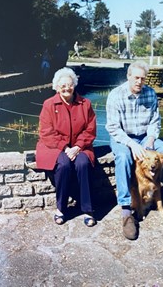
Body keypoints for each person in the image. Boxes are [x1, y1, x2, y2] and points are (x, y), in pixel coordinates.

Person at [105, 60, 163, 240]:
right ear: (128, 77)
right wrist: (132, 145)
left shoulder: (150, 93)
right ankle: (126, 212)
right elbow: (113, 128)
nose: (139, 81)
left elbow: (155, 122)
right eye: (136, 78)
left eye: (143, 78)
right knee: (124, 158)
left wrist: (149, 141)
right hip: (123, 137)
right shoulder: (115, 95)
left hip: (145, 137)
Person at [36, 67, 97, 226]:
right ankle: (61, 208)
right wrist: (65, 148)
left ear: (74, 85)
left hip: (80, 145)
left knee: (82, 163)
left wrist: (77, 146)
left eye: (69, 85)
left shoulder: (85, 104)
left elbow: (90, 129)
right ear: (56, 87)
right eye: (62, 86)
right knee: (63, 165)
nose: (66, 88)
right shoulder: (49, 105)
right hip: (55, 147)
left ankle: (87, 209)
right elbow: (46, 132)